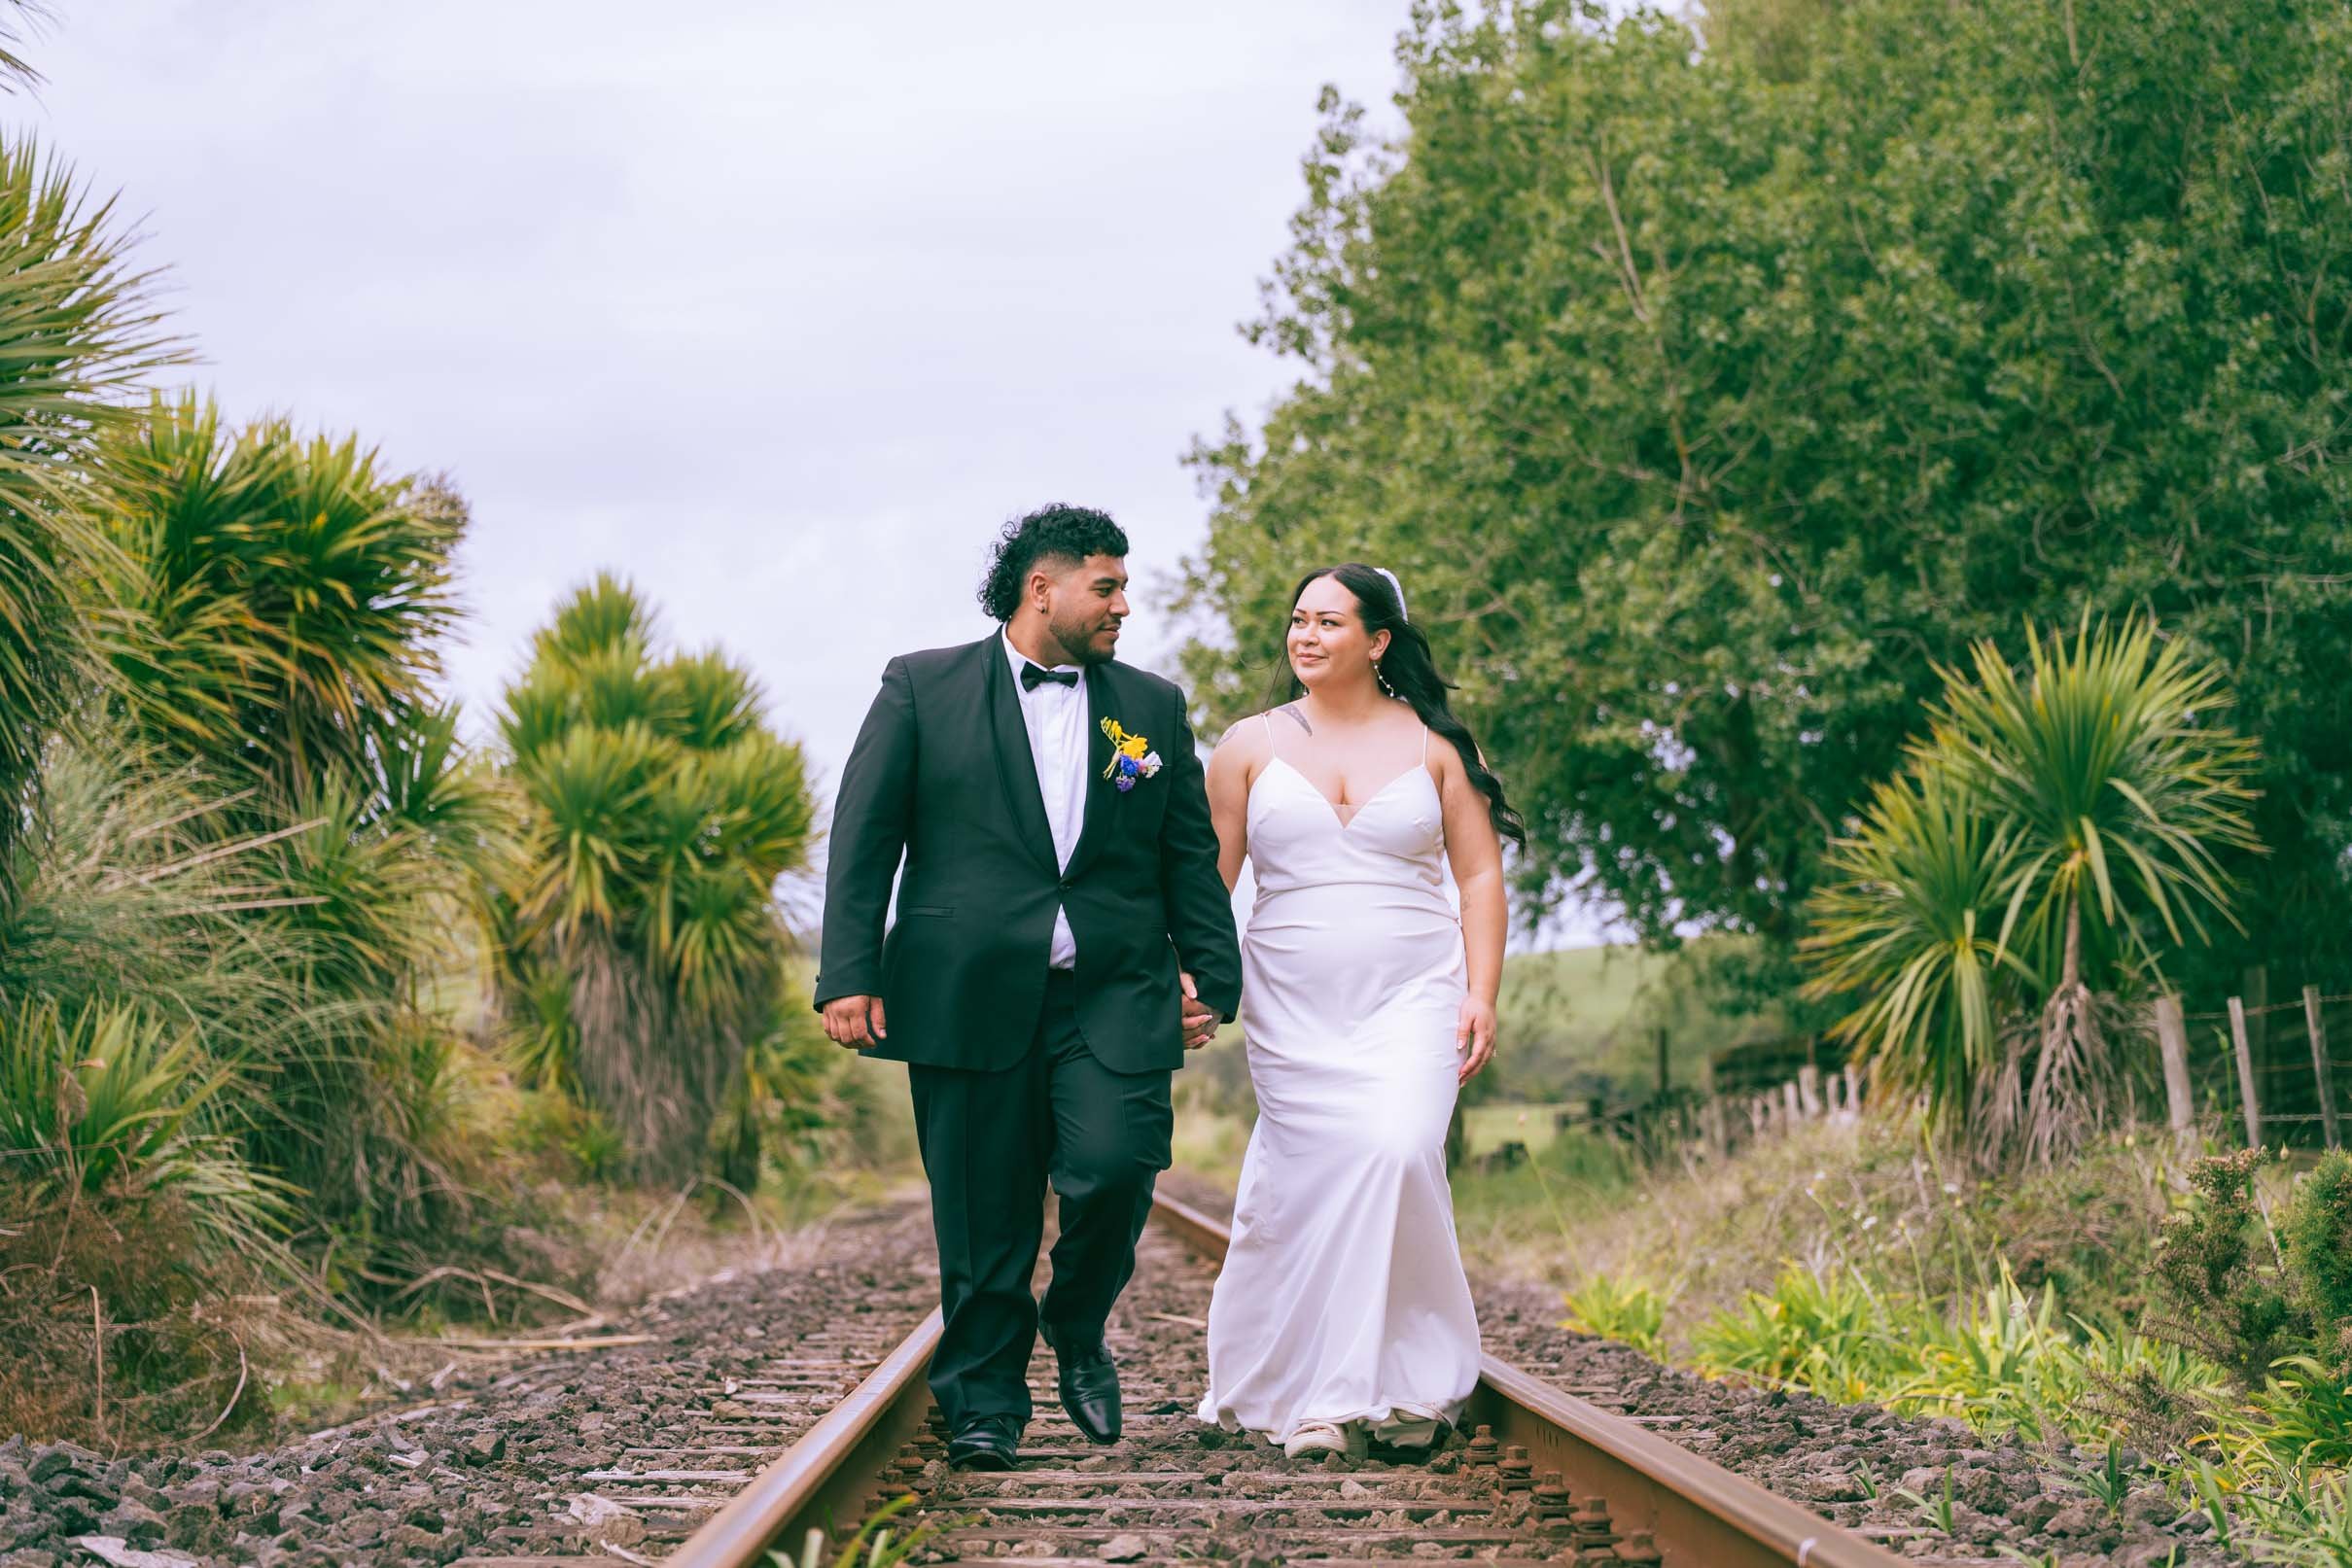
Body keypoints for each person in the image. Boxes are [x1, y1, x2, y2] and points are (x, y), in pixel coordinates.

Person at [816, 503, 1243, 1471]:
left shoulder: (1153, 707)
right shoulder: (921, 688)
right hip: (964, 992)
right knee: (983, 1216)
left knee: (1118, 1167)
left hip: (1115, 992)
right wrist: (848, 971)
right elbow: (864, 834)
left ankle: (1079, 1320)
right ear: (1039, 588)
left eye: (1125, 586)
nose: (1123, 605)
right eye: (1107, 585)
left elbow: (1186, 851)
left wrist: (1211, 975)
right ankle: (984, 1406)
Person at [1196, 562, 1522, 1460]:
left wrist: (1481, 991)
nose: (1303, 635)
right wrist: (1194, 982)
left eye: (1328, 621)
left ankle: (1391, 1383)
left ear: (1377, 640)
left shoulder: (1434, 747)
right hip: (1291, 1004)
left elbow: (1480, 874)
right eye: (1297, 618)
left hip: (1412, 994)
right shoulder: (1246, 745)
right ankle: (1310, 1393)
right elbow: (1209, 883)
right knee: (1306, 1182)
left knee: (1398, 1150)